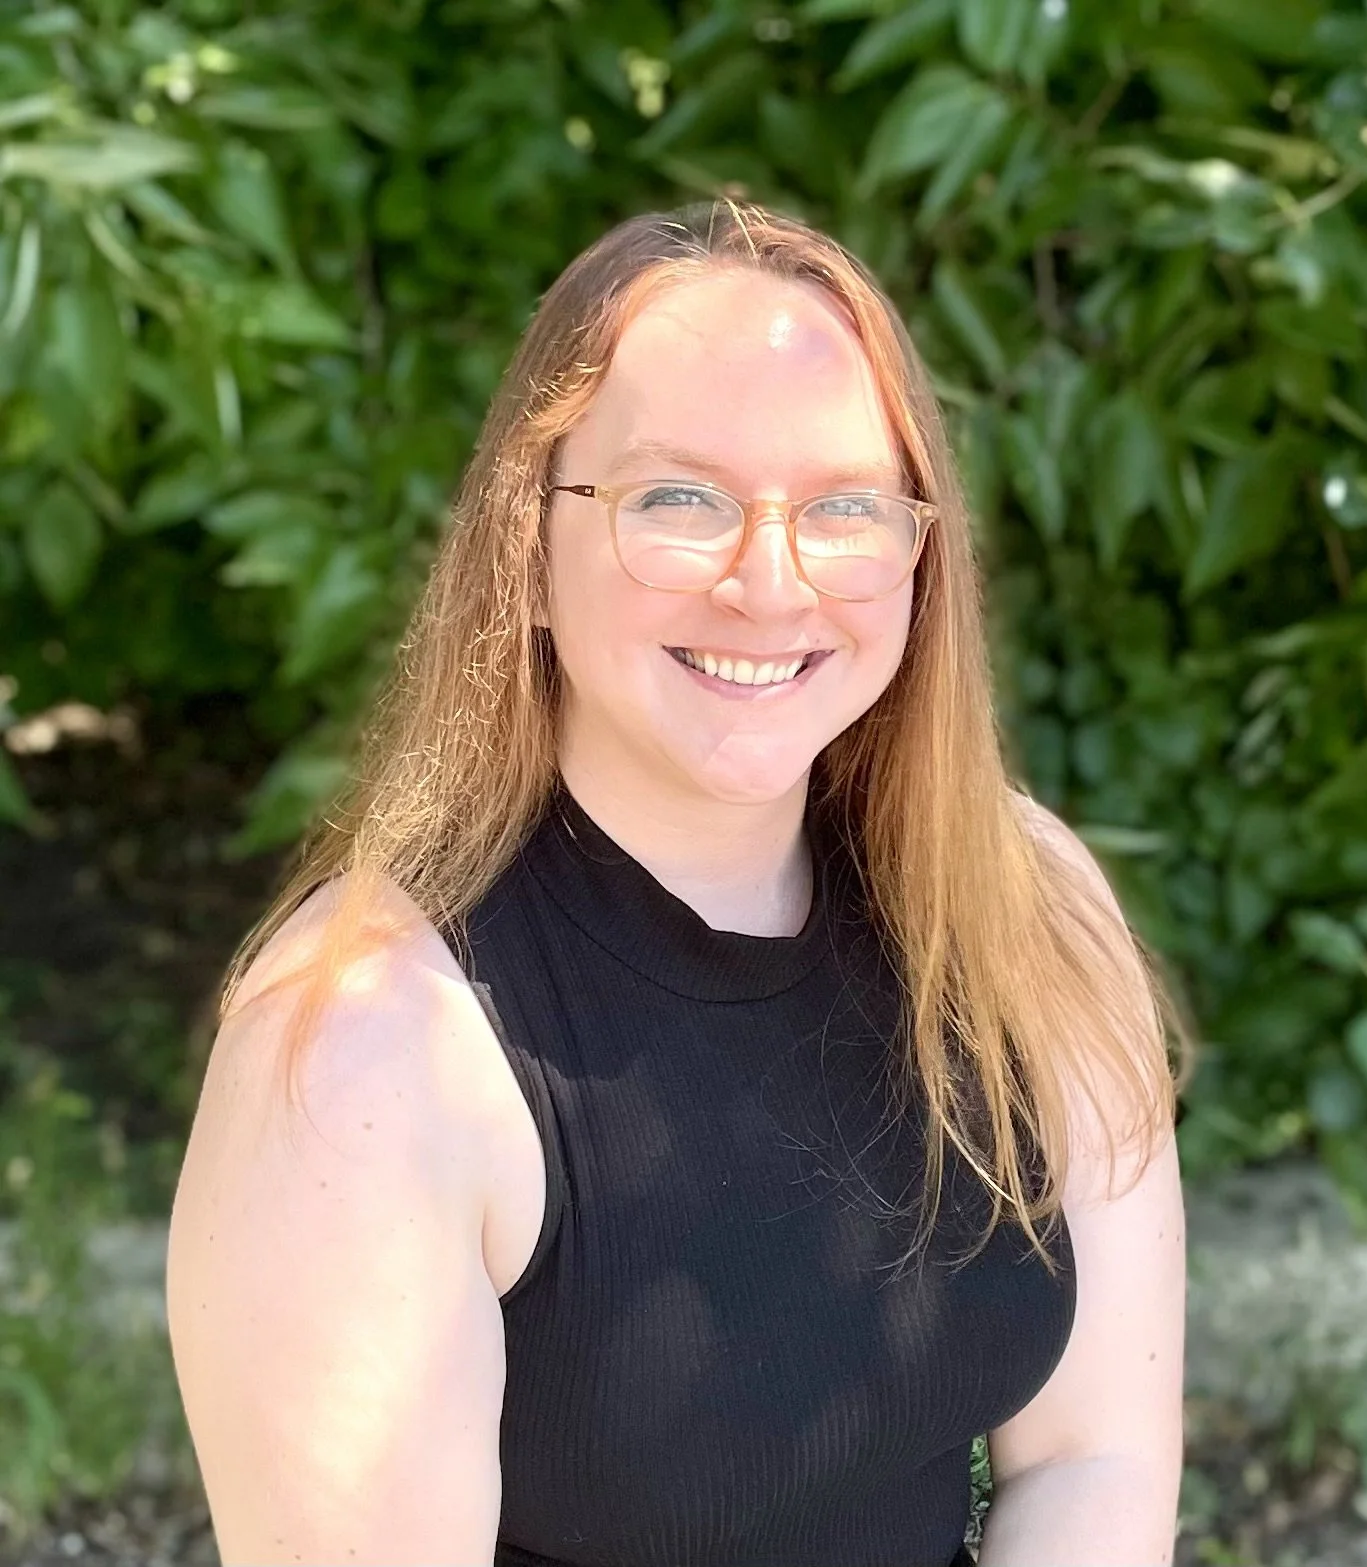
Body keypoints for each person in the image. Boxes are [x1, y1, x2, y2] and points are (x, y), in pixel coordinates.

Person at [166, 199, 1189, 1567]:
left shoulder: (1023, 908)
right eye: (678, 500)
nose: (767, 584)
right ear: (524, 552)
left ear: (915, 556)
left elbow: (1093, 1459)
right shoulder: (366, 1050)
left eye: (841, 508)